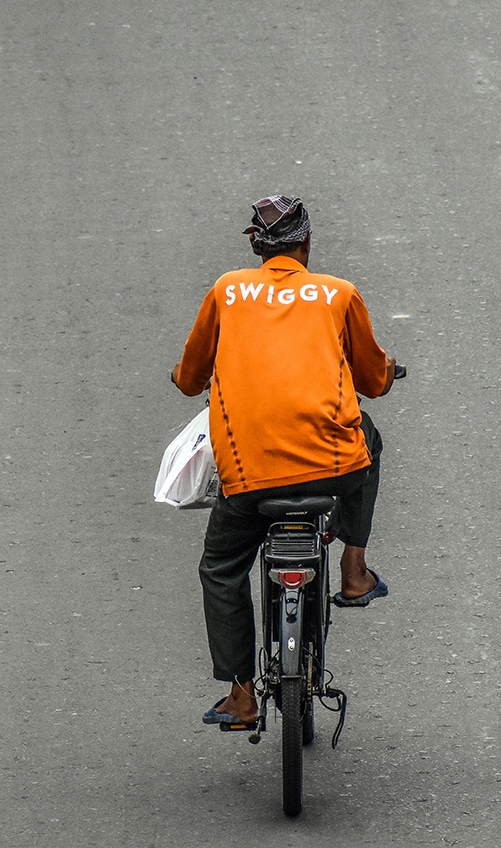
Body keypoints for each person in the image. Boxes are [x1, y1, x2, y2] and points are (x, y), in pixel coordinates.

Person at [171, 195, 396, 727]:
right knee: (370, 440)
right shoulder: (338, 294)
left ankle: (243, 693)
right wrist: (387, 374)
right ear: (307, 244)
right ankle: (354, 568)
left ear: (257, 246)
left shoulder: (227, 291)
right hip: (334, 467)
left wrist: (189, 379)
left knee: (222, 569)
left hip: (250, 478)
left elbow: (188, 379)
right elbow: (372, 380)